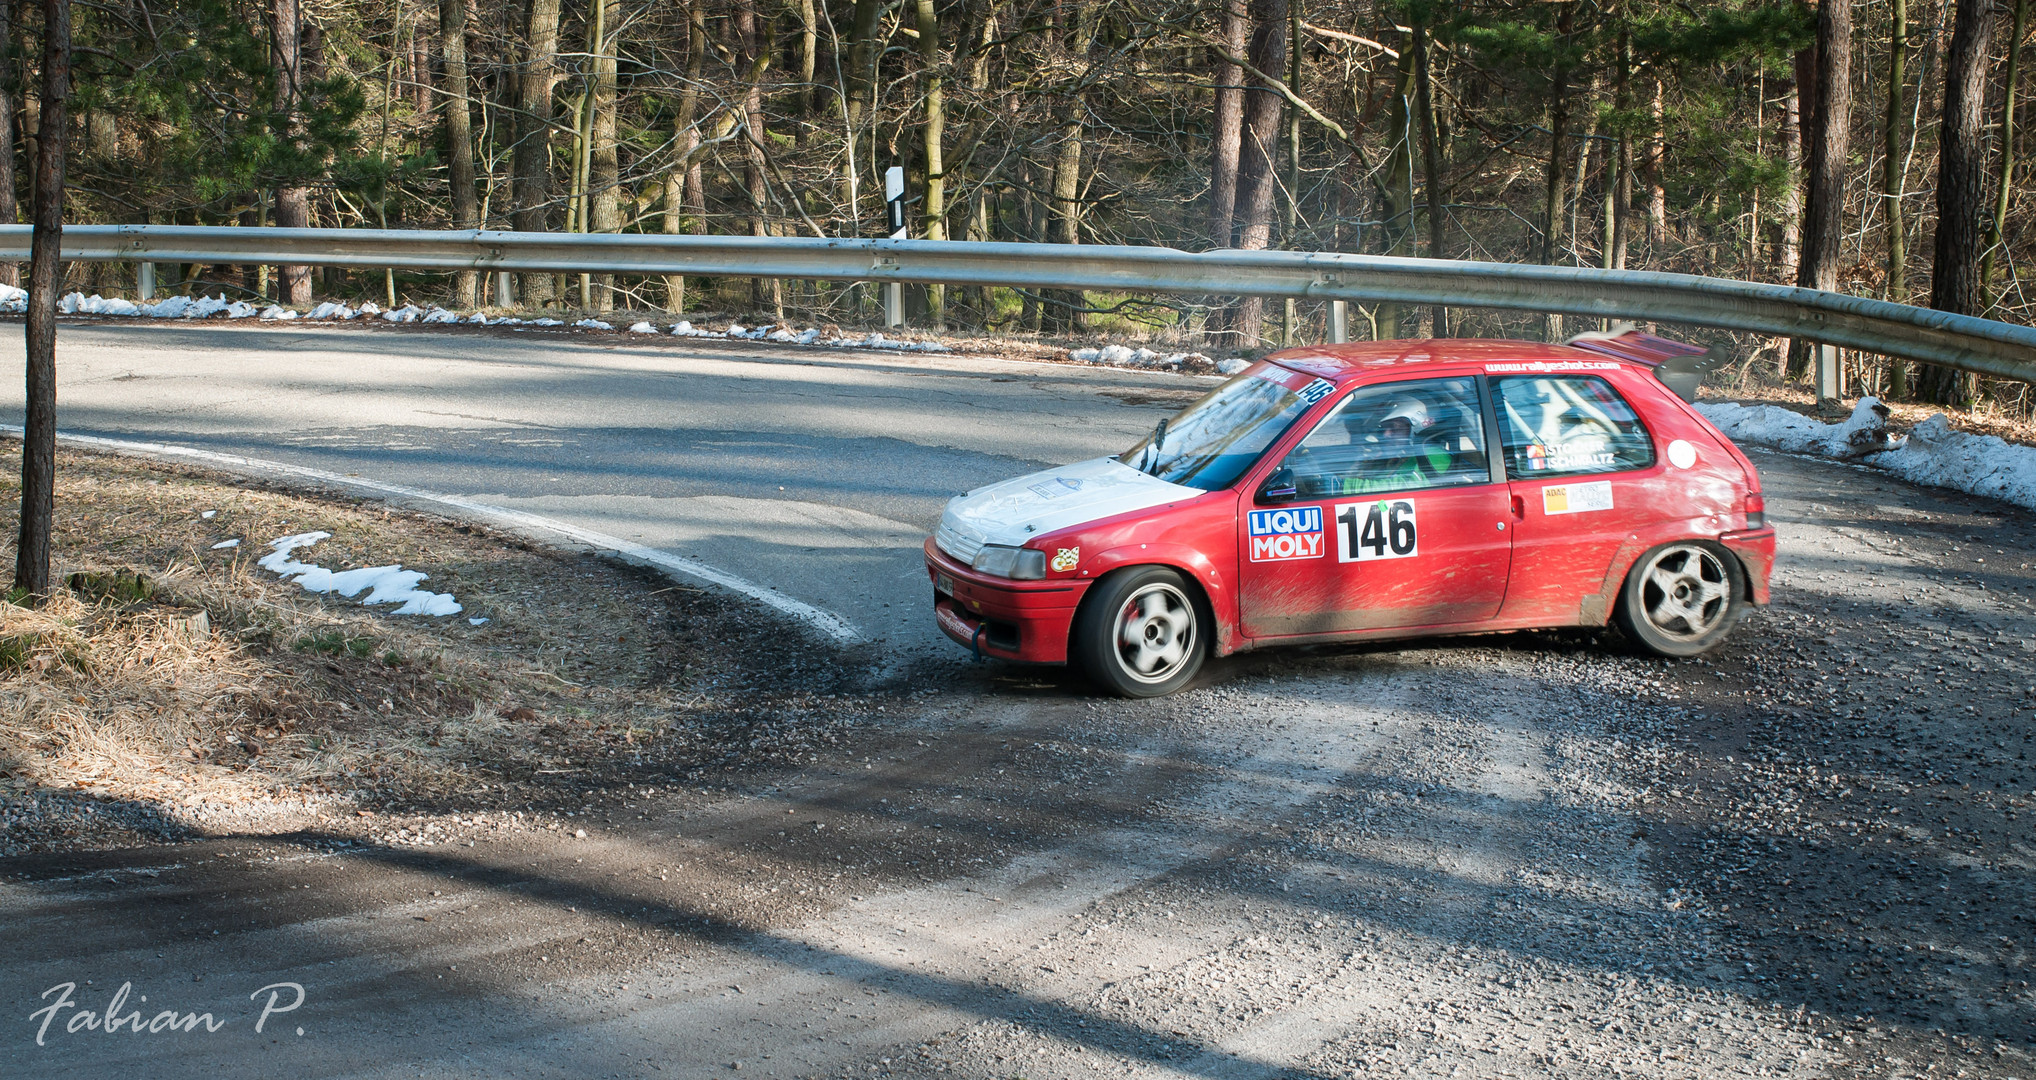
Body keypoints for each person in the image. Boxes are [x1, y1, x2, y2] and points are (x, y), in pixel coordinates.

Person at [1339, 398, 1453, 494]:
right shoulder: (1396, 457)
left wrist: (1341, 486)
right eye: (1383, 428)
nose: (1386, 434)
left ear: (1415, 428)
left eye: (1395, 428)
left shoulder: (1434, 455)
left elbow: (1400, 488)